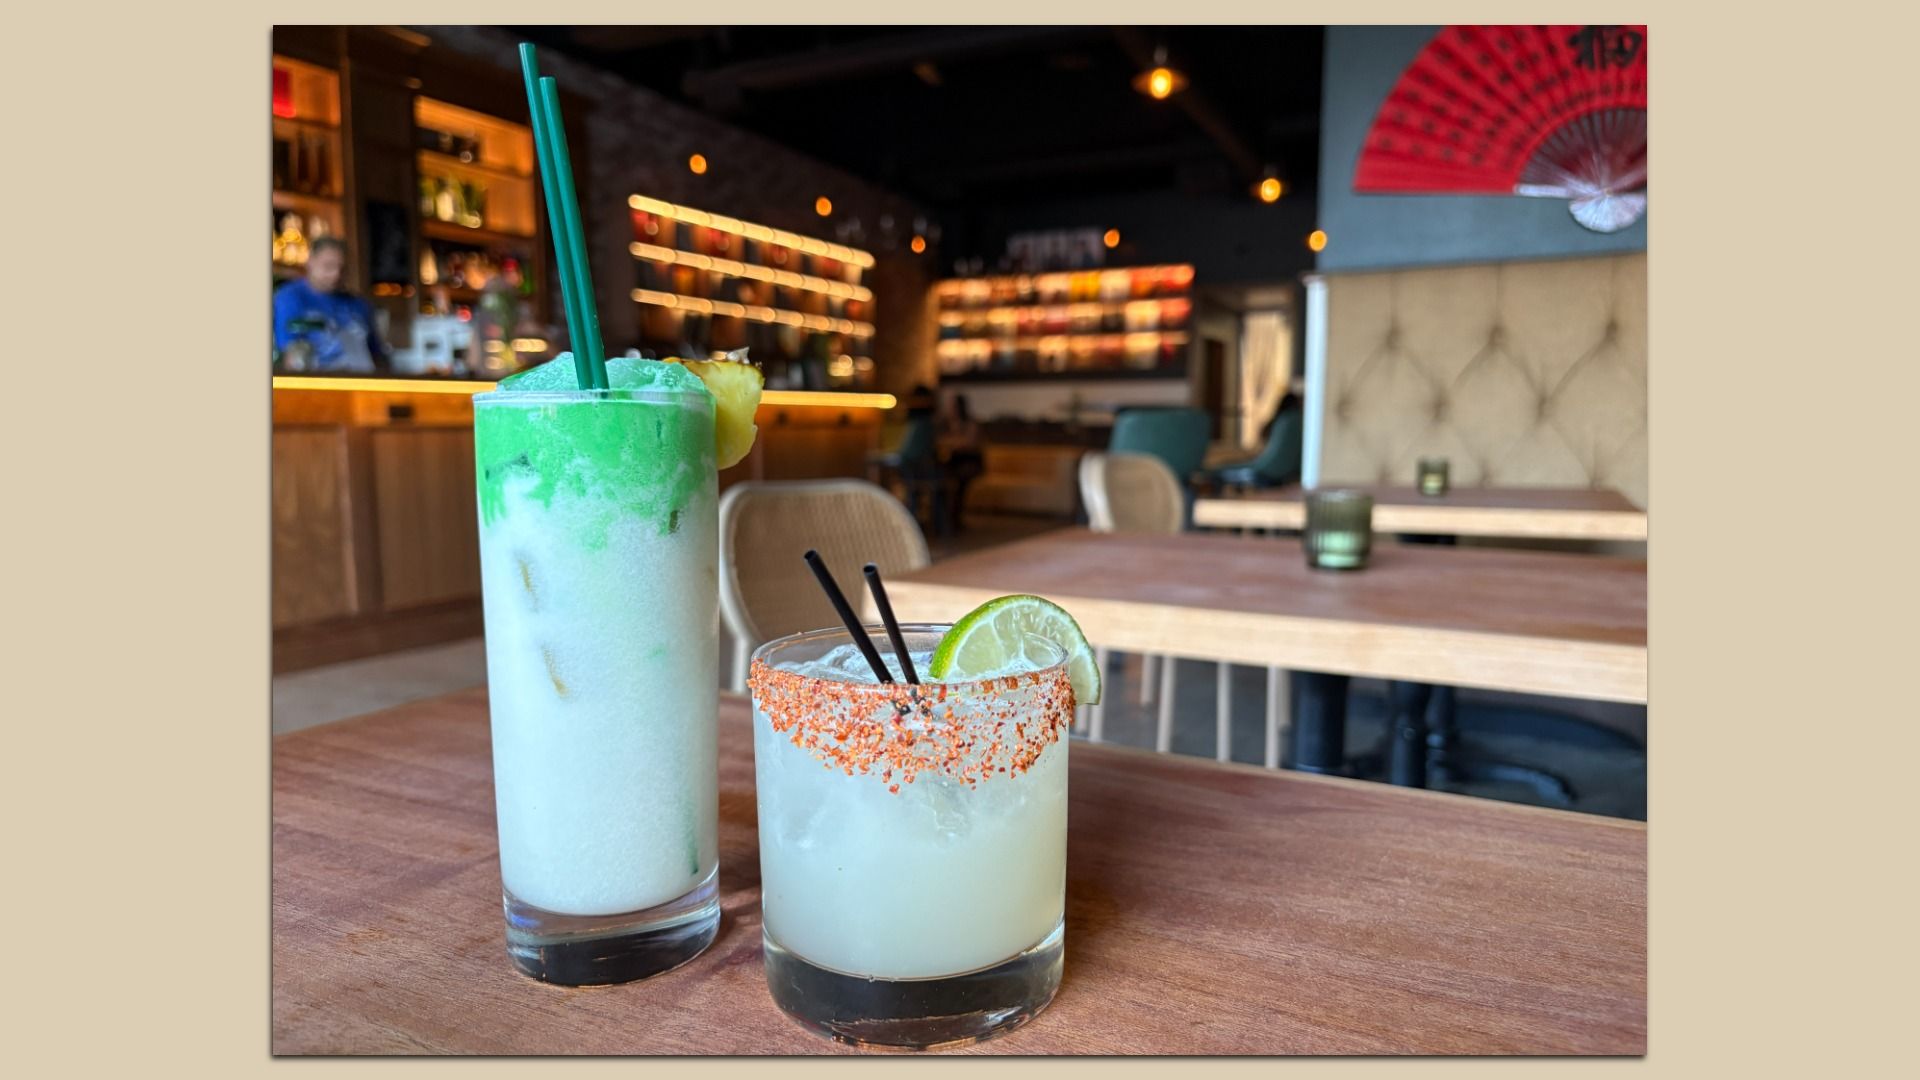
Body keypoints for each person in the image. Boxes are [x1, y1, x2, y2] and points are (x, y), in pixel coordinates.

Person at [273, 237, 387, 372]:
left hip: (359, 382)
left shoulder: (359, 305)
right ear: (310, 262)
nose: (336, 274)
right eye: (328, 266)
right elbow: (290, 355)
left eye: (342, 268)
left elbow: (377, 356)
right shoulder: (289, 298)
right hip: (316, 383)